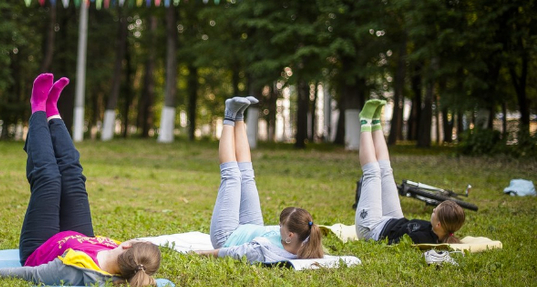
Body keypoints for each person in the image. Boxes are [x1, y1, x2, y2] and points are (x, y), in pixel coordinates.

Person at [0, 73, 161, 287]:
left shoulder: (76, 269)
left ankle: (38, 107)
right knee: (74, 176)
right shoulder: (125, 258)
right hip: (78, 239)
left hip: (40, 247)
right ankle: (53, 112)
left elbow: (34, 274)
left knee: (49, 178)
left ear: (127, 246)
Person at [195, 97, 325, 262]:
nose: (278, 228)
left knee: (232, 176)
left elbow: (234, 252)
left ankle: (229, 115)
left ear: (290, 235)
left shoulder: (262, 250)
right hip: (253, 229)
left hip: (227, 237)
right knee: (247, 175)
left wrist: (202, 253)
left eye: (281, 226)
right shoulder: (304, 238)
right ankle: (239, 115)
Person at [354, 99, 465, 244]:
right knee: (386, 170)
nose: (432, 211)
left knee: (373, 172)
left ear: (438, 224)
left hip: (371, 229)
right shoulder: (435, 230)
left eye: (434, 212)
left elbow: (391, 244)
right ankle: (375, 122)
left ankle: (364, 121)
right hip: (393, 222)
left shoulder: (420, 238)